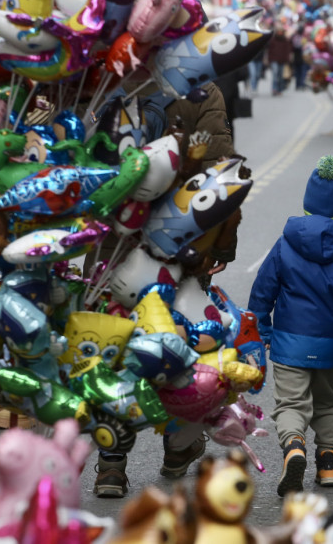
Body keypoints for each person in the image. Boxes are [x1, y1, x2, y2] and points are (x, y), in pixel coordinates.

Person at [90, 81, 237, 498]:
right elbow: (219, 172)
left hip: (115, 245)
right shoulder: (205, 91)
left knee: (115, 349)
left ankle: (112, 462)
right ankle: (179, 447)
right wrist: (222, 246)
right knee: (185, 349)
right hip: (180, 247)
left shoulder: (119, 79)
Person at [248, 155, 333, 497]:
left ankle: (294, 447)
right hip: (331, 346)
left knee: (290, 404)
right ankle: (328, 463)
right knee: (327, 402)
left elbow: (262, 293)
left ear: (306, 204)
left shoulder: (286, 244)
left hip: (290, 344)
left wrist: (263, 335)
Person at [267, 23, 293, 96]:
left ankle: (279, 89)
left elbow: (288, 51)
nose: (280, 33)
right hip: (274, 60)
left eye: (281, 31)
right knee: (275, 74)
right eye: (279, 31)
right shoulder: (272, 40)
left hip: (282, 60)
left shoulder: (286, 40)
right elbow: (269, 51)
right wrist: (269, 60)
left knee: (280, 76)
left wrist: (287, 60)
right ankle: (274, 89)